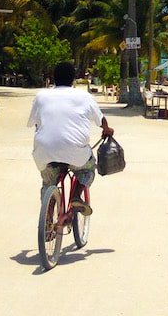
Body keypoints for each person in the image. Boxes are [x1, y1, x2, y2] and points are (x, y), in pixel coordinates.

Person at [28, 61, 113, 215]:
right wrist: (107, 130)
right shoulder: (83, 96)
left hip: (45, 153)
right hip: (76, 153)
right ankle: (76, 196)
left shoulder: (41, 96)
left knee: (48, 182)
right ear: (73, 79)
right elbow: (101, 121)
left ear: (53, 77)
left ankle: (47, 217)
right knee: (88, 169)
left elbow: (34, 123)